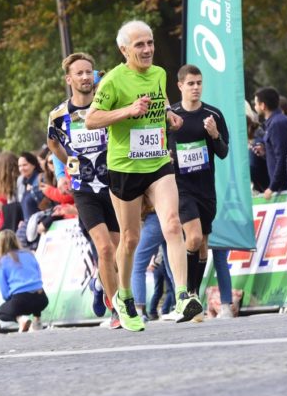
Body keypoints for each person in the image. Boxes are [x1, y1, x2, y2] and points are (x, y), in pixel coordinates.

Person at [85, 20, 203, 328]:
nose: (148, 49)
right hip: (125, 167)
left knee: (173, 223)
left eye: (149, 42)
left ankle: (183, 295)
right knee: (130, 238)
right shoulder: (112, 81)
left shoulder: (160, 74)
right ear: (124, 49)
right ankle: (123, 298)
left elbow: (157, 106)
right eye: (140, 45)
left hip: (158, 162)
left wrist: (169, 116)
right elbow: (91, 120)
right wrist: (127, 111)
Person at [46, 52, 120, 324]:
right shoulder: (58, 114)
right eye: (79, 73)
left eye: (89, 72)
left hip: (113, 184)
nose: (86, 77)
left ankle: (101, 285)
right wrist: (68, 166)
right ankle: (117, 310)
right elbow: (53, 143)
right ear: (69, 79)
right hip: (84, 188)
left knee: (118, 249)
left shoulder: (107, 106)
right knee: (105, 249)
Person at [168, 64, 233, 316]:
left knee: (203, 243)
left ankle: (192, 298)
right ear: (180, 86)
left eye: (199, 83)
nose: (195, 88)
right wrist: (167, 157)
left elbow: (224, 152)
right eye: (191, 83)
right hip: (180, 187)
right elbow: (157, 146)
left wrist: (215, 135)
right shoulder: (170, 114)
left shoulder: (212, 114)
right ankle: (186, 294)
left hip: (206, 188)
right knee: (193, 237)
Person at [0, 230, 48, 332]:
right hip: (42, 298)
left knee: (1, 312)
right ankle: (37, 320)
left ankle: (21, 319)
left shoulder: (1, 261)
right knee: (33, 290)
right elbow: (38, 275)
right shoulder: (29, 254)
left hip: (21, 300)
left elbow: (4, 290)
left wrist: (10, 300)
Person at [254, 87, 287, 199]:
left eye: (256, 103)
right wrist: (265, 153)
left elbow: (282, 157)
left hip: (285, 187)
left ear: (263, 106)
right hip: (281, 187)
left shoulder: (278, 124)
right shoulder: (273, 123)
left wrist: (272, 187)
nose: (255, 107)